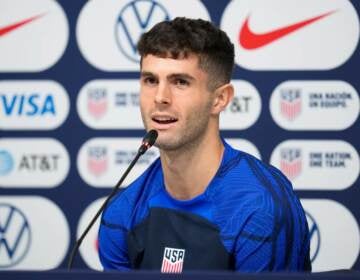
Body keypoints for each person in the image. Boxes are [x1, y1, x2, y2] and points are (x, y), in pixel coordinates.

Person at [98, 17, 311, 273]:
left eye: (180, 82)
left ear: (220, 99)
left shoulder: (260, 208)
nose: (160, 98)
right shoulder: (122, 213)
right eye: (150, 80)